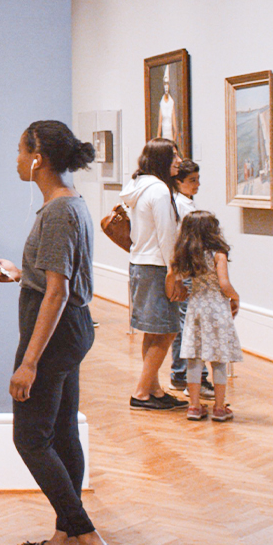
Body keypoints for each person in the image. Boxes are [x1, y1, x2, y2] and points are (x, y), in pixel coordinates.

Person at [0, 120, 116, 545]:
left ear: (37, 158)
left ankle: (90, 540)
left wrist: (29, 362)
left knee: (31, 438)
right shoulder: (69, 205)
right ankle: (64, 536)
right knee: (61, 434)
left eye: (21, 151)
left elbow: (57, 293)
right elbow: (57, 278)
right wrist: (22, 273)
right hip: (72, 329)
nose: (17, 159)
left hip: (56, 334)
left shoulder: (58, 212)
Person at [122, 138, 185, 410]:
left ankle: (153, 388)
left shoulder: (139, 186)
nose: (179, 161)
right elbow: (167, 235)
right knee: (168, 331)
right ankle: (141, 392)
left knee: (153, 331)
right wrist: (176, 272)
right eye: (173, 156)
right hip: (158, 267)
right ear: (161, 160)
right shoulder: (159, 190)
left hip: (140, 263)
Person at [166, 211, 244, 422]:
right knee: (218, 359)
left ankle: (193, 406)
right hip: (217, 309)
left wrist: (175, 288)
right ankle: (219, 408)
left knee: (194, 359)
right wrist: (235, 297)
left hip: (196, 309)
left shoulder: (185, 254)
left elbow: (171, 276)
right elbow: (224, 284)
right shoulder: (218, 253)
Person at [168, 159, 210, 393]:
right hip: (188, 269)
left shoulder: (179, 203)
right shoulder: (184, 206)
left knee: (183, 322)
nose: (197, 184)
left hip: (184, 268)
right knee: (189, 324)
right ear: (179, 182)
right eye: (192, 180)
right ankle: (189, 376)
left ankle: (180, 373)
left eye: (197, 179)